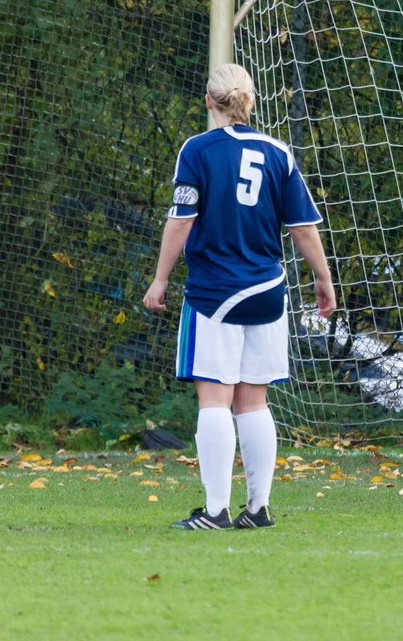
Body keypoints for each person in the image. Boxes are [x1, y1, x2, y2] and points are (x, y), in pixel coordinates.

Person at [143, 63, 335, 530]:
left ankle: (214, 512)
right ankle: (258, 509)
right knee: (254, 402)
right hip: (269, 293)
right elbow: (303, 229)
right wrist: (324, 279)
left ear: (209, 101)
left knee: (214, 400)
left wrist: (160, 278)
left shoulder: (198, 150)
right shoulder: (278, 153)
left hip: (215, 294)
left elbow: (182, 219)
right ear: (251, 100)